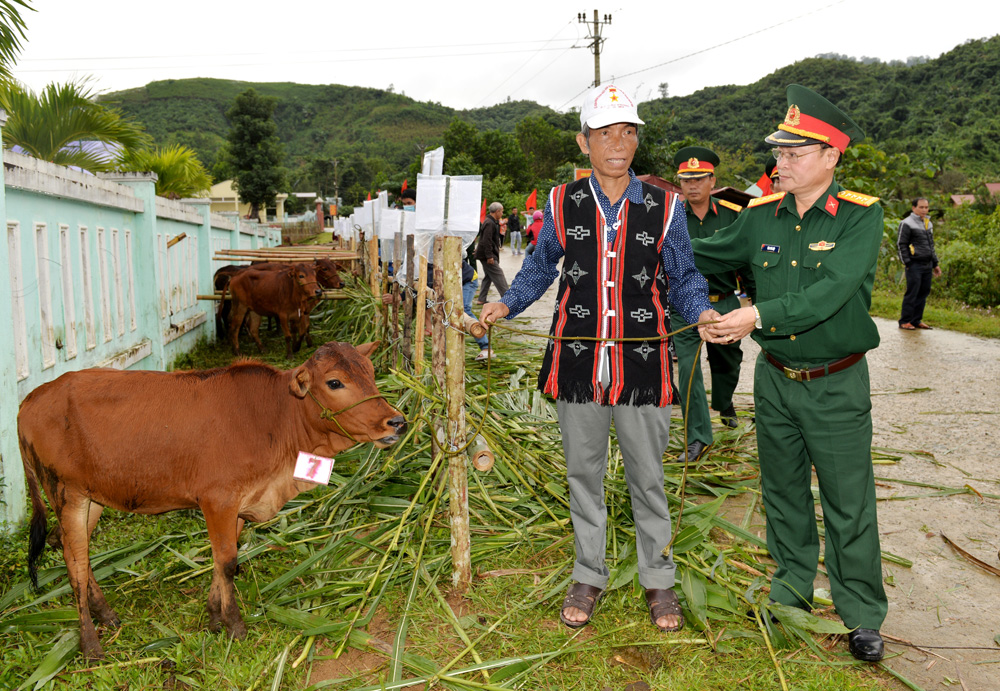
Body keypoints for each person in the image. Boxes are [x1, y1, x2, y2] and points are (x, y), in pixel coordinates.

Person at [479, 84, 717, 634]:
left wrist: (702, 312)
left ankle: (658, 577)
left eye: (628, 132)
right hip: (578, 360)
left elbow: (682, 276)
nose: (619, 143)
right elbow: (541, 267)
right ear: (583, 142)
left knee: (648, 476)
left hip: (643, 363)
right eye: (606, 133)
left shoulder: (665, 206)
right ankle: (589, 572)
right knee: (583, 473)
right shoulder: (562, 202)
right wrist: (506, 304)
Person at [691, 84, 888, 663]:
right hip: (776, 378)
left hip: (835, 381)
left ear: (830, 156)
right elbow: (705, 254)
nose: (781, 163)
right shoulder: (760, 217)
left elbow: (830, 292)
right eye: (778, 152)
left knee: (848, 501)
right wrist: (643, 237)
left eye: (794, 153)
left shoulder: (860, 217)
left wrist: (753, 315)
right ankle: (791, 588)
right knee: (782, 492)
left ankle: (861, 613)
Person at [670, 146, 745, 463]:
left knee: (728, 362)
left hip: (724, 302)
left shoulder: (732, 215)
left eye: (699, 179)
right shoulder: (671, 216)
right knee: (688, 370)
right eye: (686, 180)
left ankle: (724, 402)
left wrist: (756, 301)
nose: (692, 185)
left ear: (712, 180)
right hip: (683, 306)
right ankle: (698, 436)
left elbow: (747, 259)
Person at [897, 197, 941, 330]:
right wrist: (907, 263)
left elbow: (931, 246)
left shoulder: (928, 223)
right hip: (914, 264)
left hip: (927, 264)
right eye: (921, 207)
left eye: (926, 207)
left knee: (923, 292)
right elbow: (901, 244)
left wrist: (935, 264)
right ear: (913, 208)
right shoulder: (906, 223)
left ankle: (916, 320)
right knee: (912, 292)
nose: (924, 210)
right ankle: (905, 321)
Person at [475, 202, 509, 304]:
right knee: (499, 274)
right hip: (488, 256)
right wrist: (489, 256)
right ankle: (508, 298)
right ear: (497, 211)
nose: (502, 214)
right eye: (501, 211)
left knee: (488, 276)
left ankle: (481, 299)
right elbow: (486, 240)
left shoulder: (491, 221)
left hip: (486, 254)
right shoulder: (489, 223)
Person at [462, 259, 492, 360]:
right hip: (456, 281)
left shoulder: (428, 267)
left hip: (468, 279)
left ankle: (486, 347)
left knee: (464, 310)